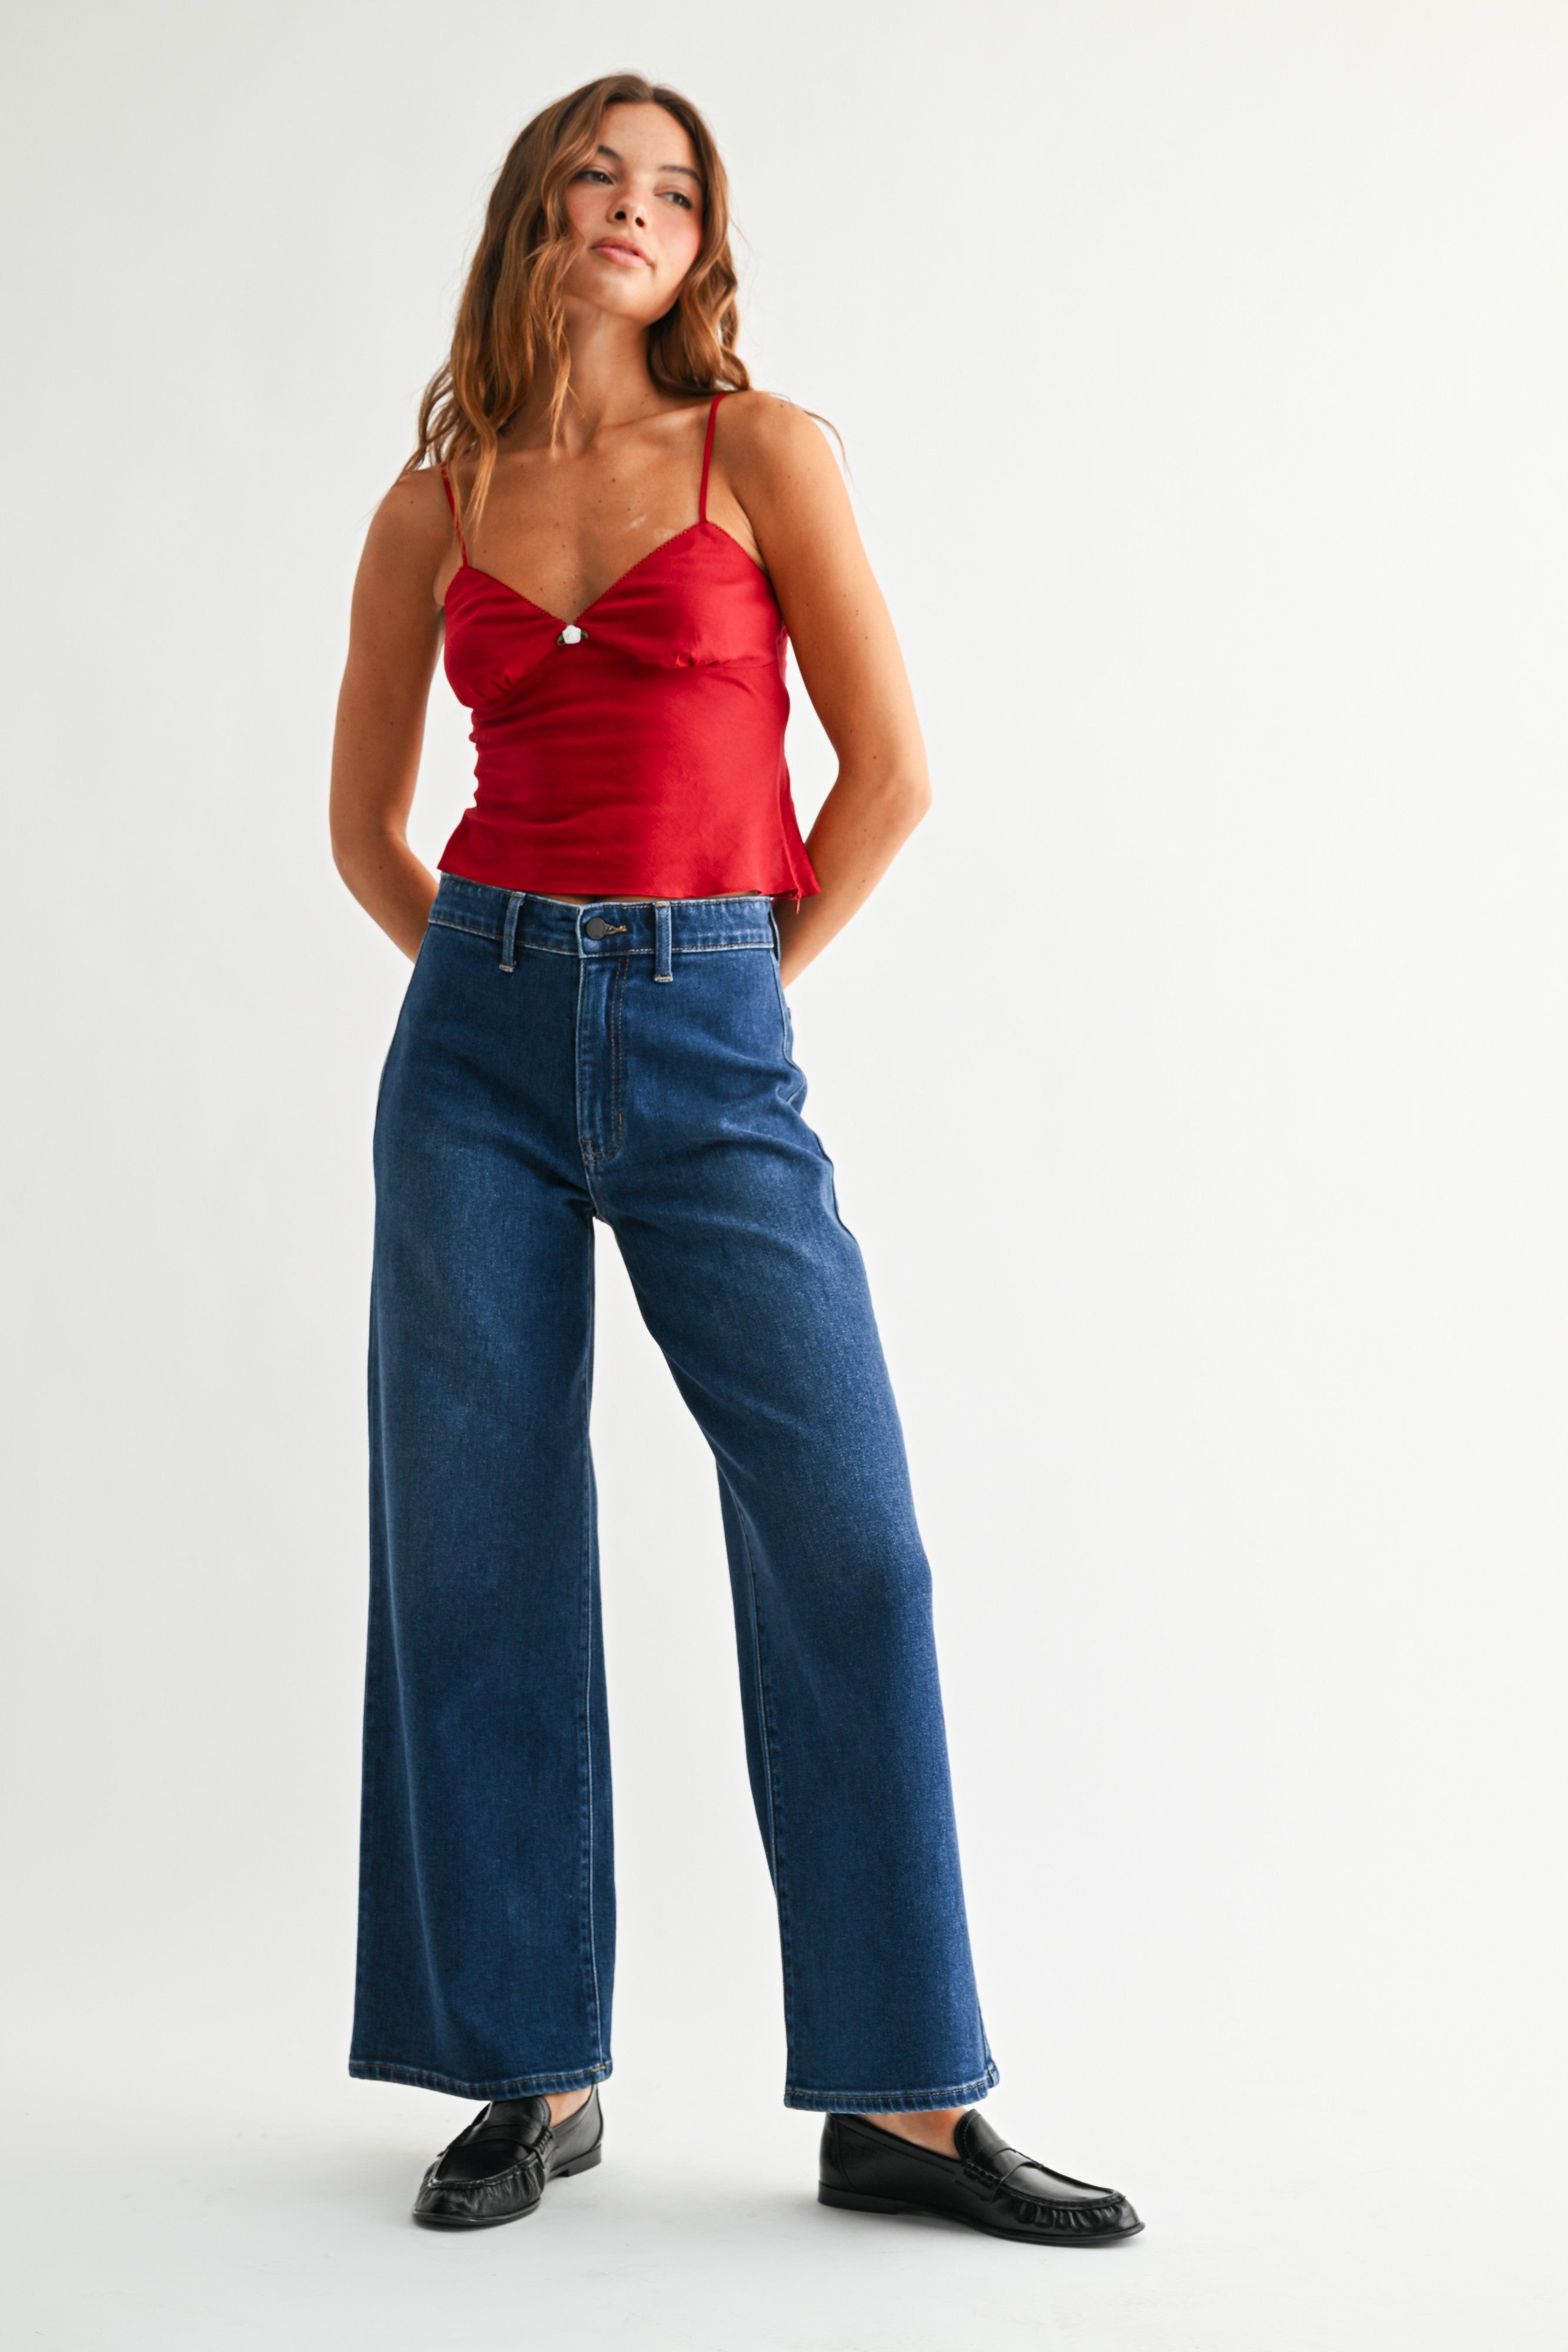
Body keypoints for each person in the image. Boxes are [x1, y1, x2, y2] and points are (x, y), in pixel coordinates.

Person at [329, 71, 1141, 2248]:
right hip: (473, 1049)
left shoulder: (762, 454)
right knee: (476, 1551)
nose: (632, 208)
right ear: (532, 213)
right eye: (595, 176)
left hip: (713, 1026)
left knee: (849, 1542)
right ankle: (531, 2069)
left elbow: (887, 776)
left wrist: (718, 986)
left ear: (703, 245)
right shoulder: (433, 502)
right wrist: (500, 984)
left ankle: (905, 2105)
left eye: (673, 190)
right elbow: (362, 832)